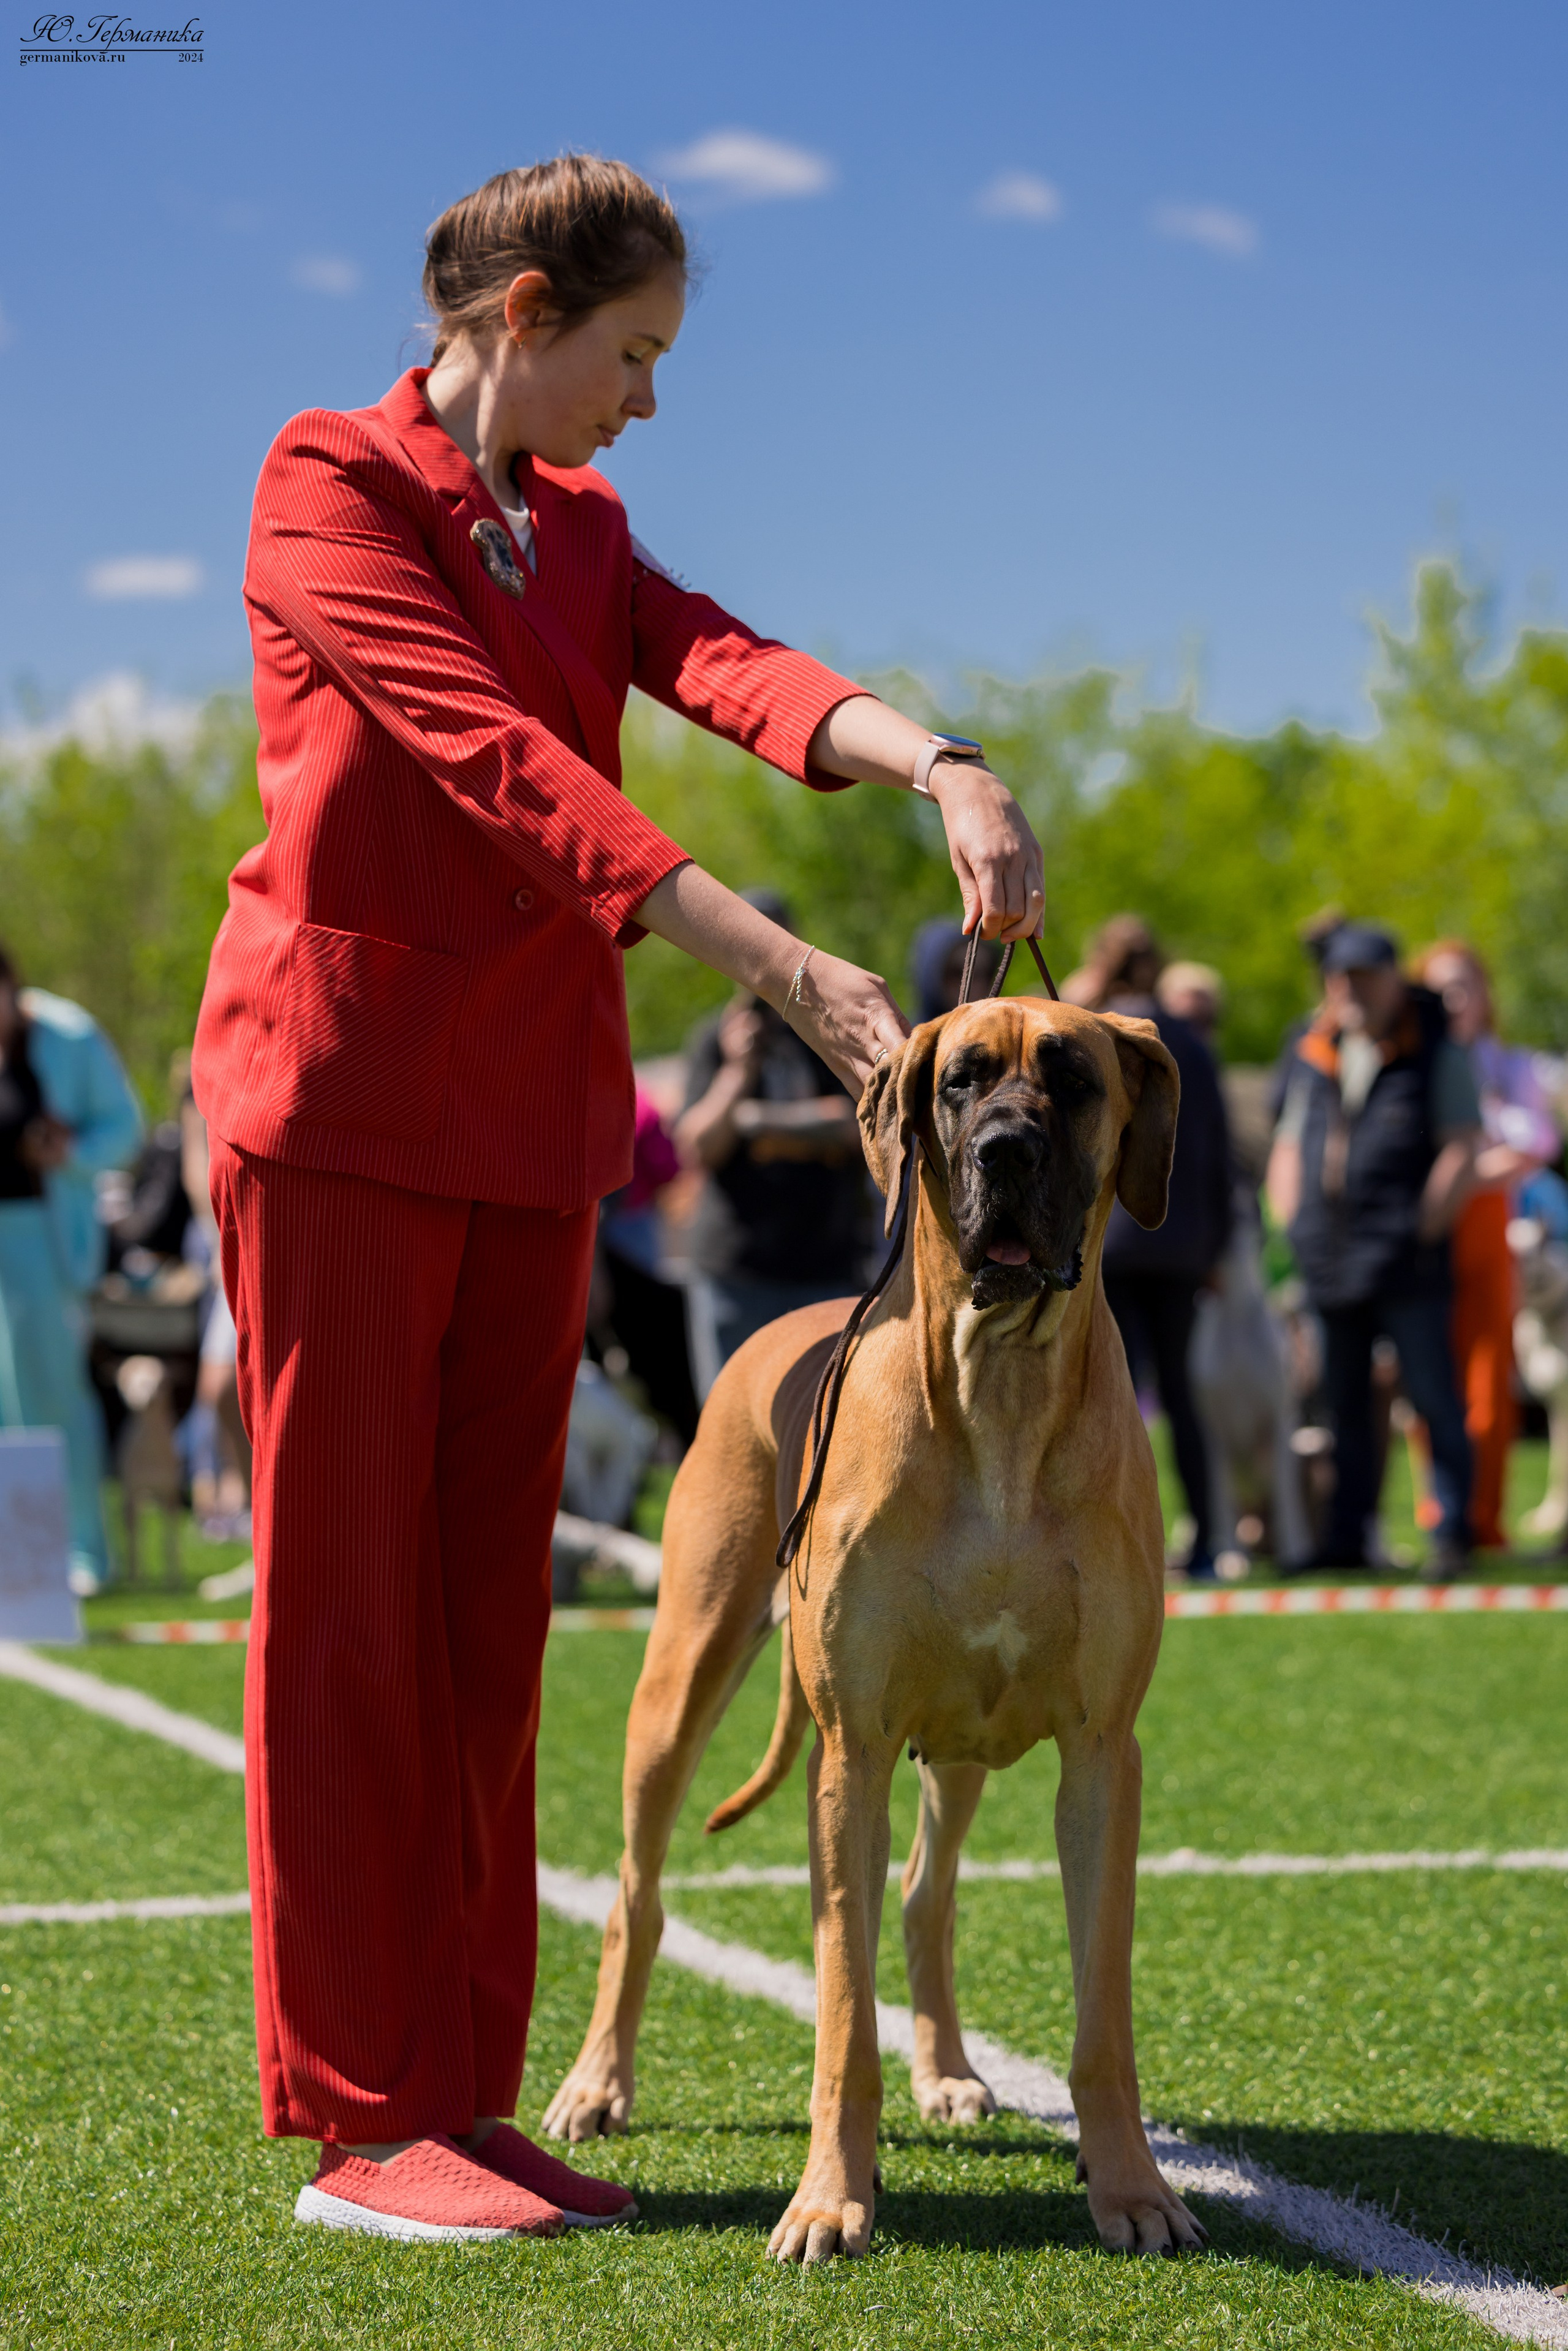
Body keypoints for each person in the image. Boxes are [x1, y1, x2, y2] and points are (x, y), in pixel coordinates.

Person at [190, 155, 1046, 2242]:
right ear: (526, 309)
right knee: (347, 1616)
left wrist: (938, 760)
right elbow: (501, 757)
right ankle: (359, 2109)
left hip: (527, 1127)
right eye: (634, 354)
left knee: (493, 1628)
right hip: (339, 1109)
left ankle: (467, 2096)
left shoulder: (574, 525)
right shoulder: (327, 483)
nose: (647, 401)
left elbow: (726, 664)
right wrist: (783, 960)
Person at [1267, 924, 1479, 1579]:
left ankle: (1450, 1533)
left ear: (1392, 979)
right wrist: (1292, 1222)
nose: (1348, 989)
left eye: (1361, 977)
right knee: (1343, 1408)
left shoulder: (1434, 1048)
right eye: (1339, 978)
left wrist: (1422, 1224)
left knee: (1432, 1399)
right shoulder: (1314, 1047)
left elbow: (1463, 1144)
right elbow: (1289, 1141)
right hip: (1330, 1259)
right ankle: (1347, 1538)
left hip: (1406, 1259)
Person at [1072, 918, 1233, 1579]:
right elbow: (1219, 1154)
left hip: (1114, 1246)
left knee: (1113, 1396)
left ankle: (1109, 1542)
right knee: (1181, 1396)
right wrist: (1215, 1246)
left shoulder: (1096, 1039)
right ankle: (1203, 1543)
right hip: (1180, 1247)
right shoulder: (1186, 1044)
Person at [677, 891, 870, 1393]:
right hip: (736, 1271)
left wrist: (753, 1124)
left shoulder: (825, 1030)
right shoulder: (715, 1040)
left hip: (824, 1266)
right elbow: (698, 1147)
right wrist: (739, 1073)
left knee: (823, 1428)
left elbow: (858, 1126)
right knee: (732, 1437)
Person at [1406, 942, 1560, 1549]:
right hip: (1431, 1229)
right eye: (1441, 987)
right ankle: (1439, 1511)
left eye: (1464, 985)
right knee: (1427, 1376)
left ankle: (1484, 1516)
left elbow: (1533, 1143)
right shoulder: (1415, 1060)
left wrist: (1466, 1165)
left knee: (1488, 1378)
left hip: (1488, 1228)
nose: (1454, 998)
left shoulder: (1508, 1065)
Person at [0, 947, 143, 1592]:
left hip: (43, 1240)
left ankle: (84, 1551)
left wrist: (69, 1151)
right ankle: (26, 1563)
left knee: (51, 1399)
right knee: (8, 1406)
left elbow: (128, 1128)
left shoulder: (68, 1035)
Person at [592, 1082, 699, 1446]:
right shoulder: (640, 1102)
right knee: (650, 1326)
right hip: (631, 1229)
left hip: (597, 1231)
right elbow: (667, 1168)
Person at [908, 916, 1002, 1022]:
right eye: (959, 974)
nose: (975, 986)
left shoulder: (1002, 1033)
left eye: (986, 974)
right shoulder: (904, 1036)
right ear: (931, 978)